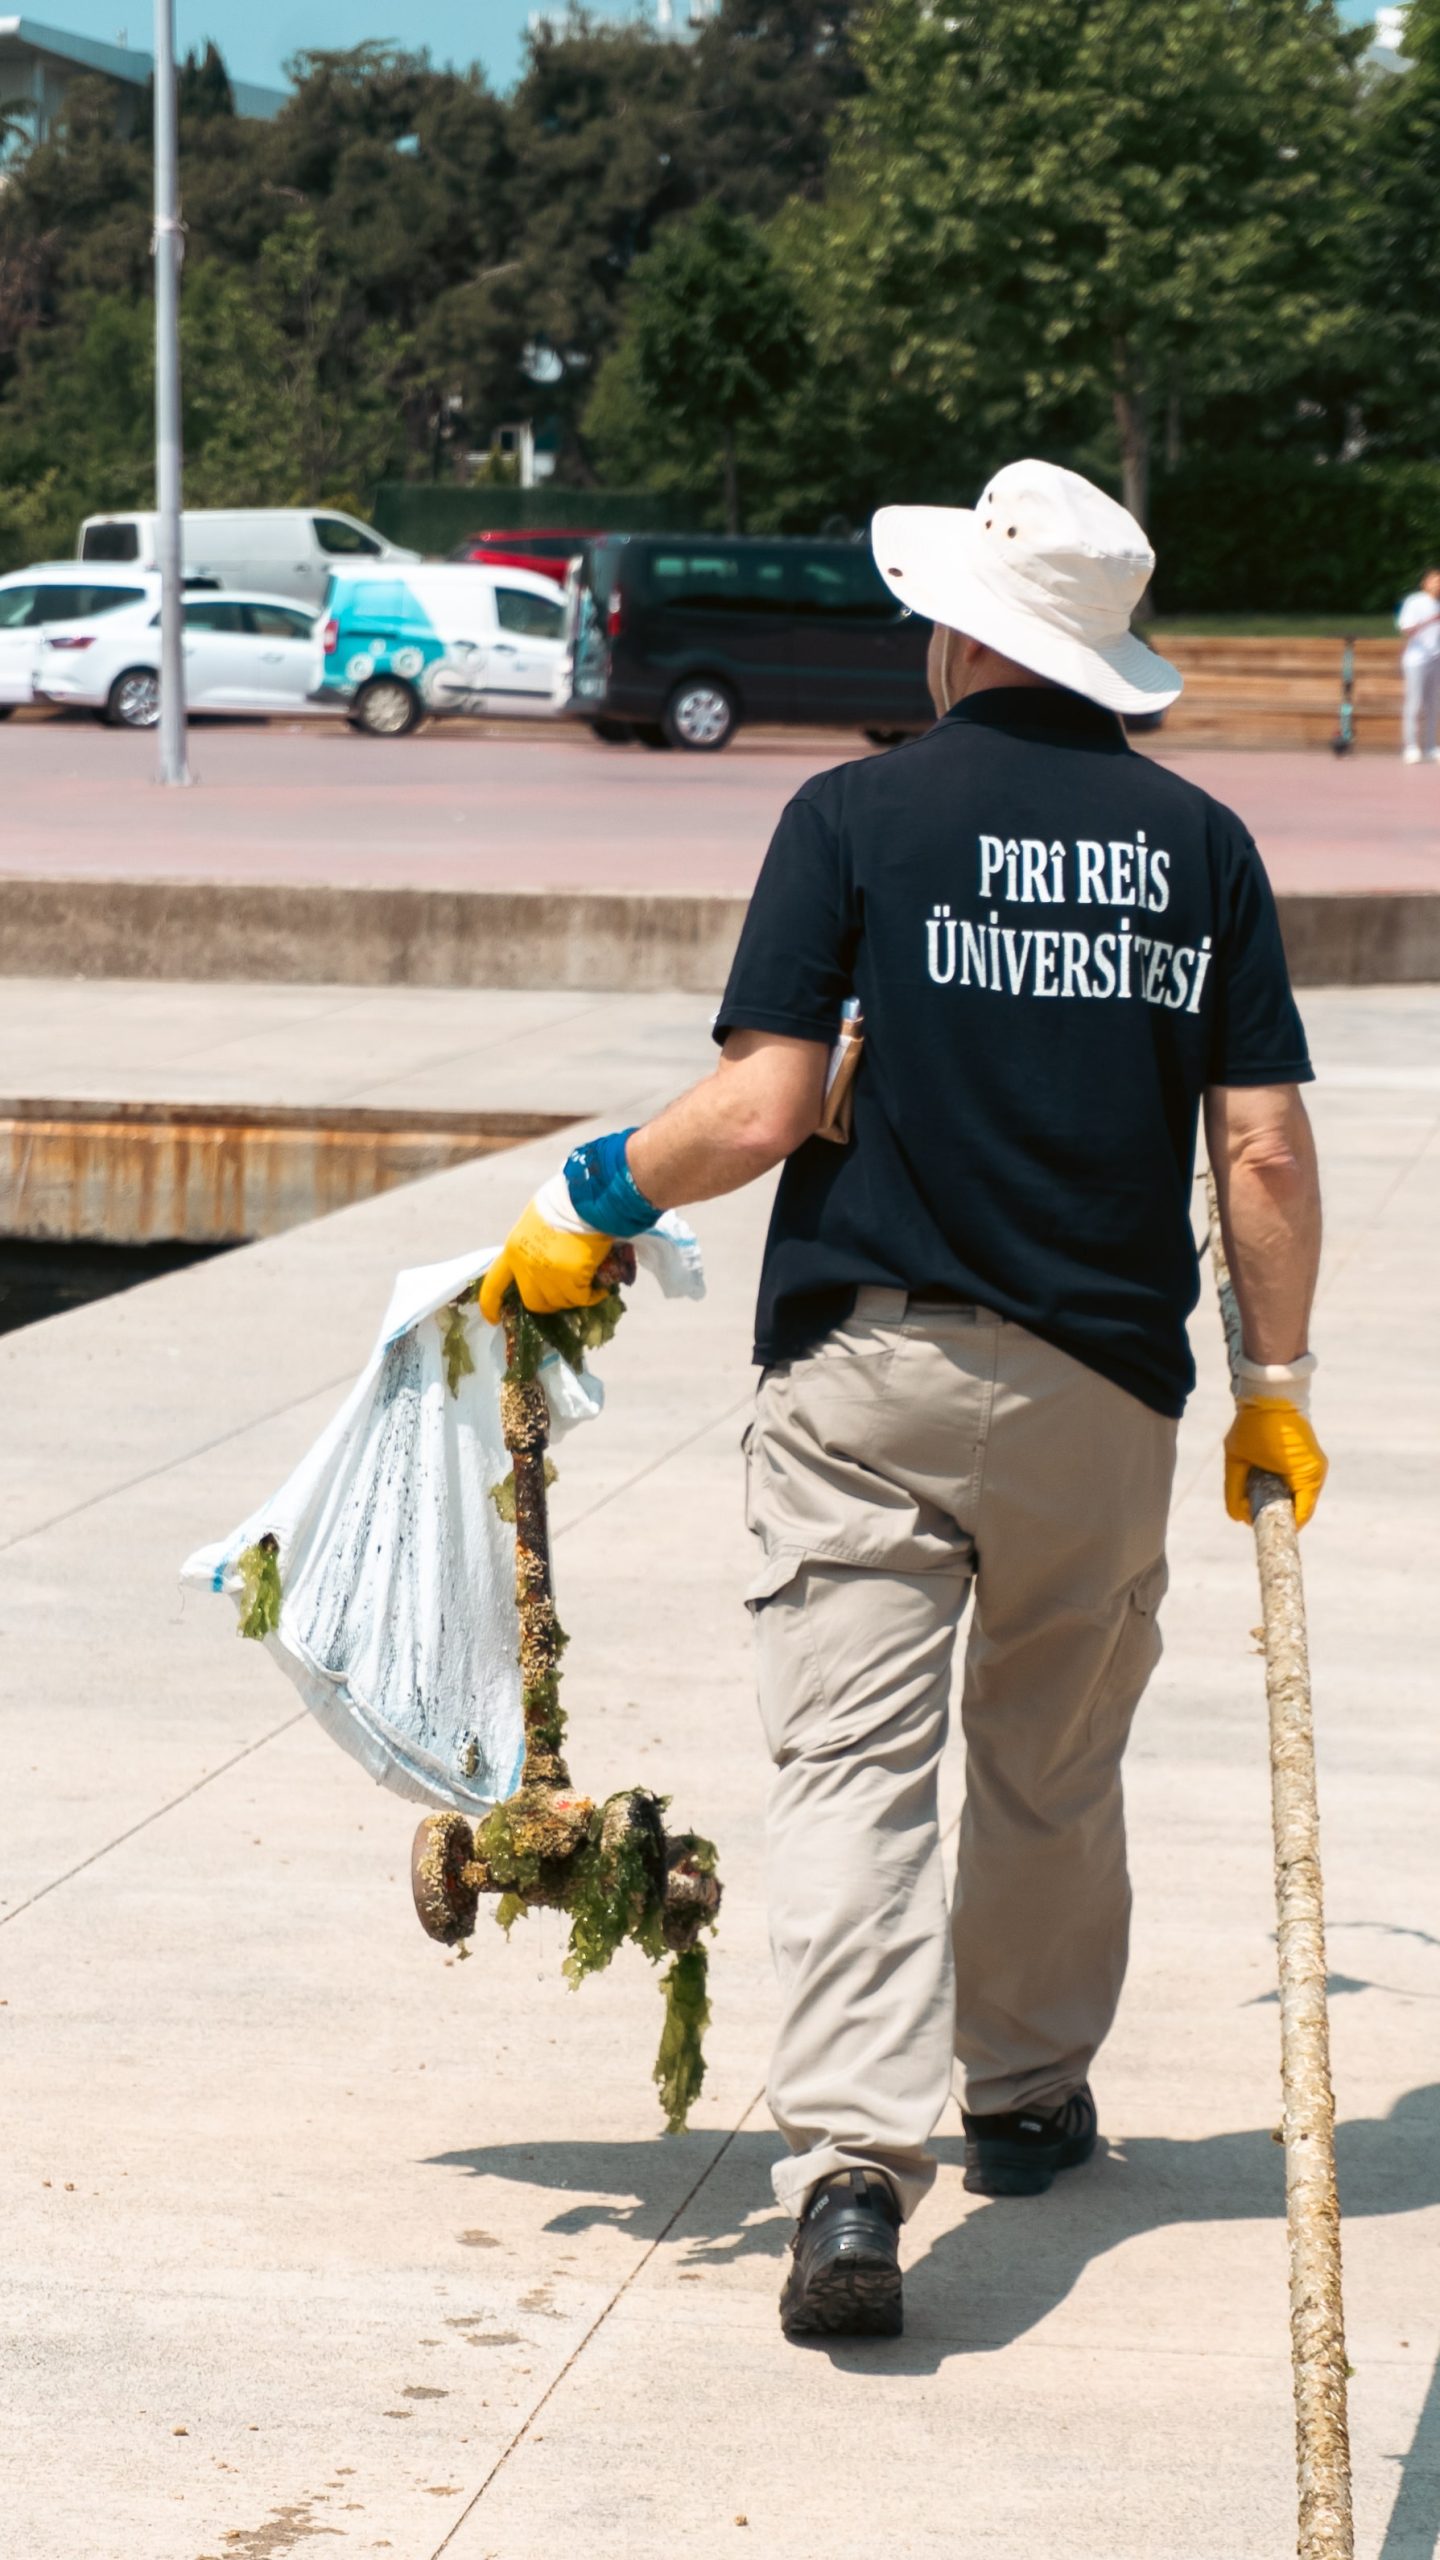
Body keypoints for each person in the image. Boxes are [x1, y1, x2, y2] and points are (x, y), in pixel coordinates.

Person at [479, 459, 1327, 2343]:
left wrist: (588, 1198)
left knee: (856, 1768)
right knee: (1050, 1760)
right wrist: (1272, 1388)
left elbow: (766, 1106)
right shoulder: (1201, 847)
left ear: (959, 634)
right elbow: (1262, 1151)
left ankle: (855, 2172)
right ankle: (1023, 2094)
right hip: (1103, 1386)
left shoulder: (853, 814)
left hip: (869, 1370)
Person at [1396, 567, 1440, 763]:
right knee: (1414, 703)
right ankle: (1411, 746)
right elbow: (1406, 629)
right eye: (1434, 580)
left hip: (1436, 659)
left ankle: (1431, 746)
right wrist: (1429, 621)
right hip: (1416, 659)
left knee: (1434, 705)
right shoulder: (1414, 602)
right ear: (1425, 583)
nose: (1438, 584)